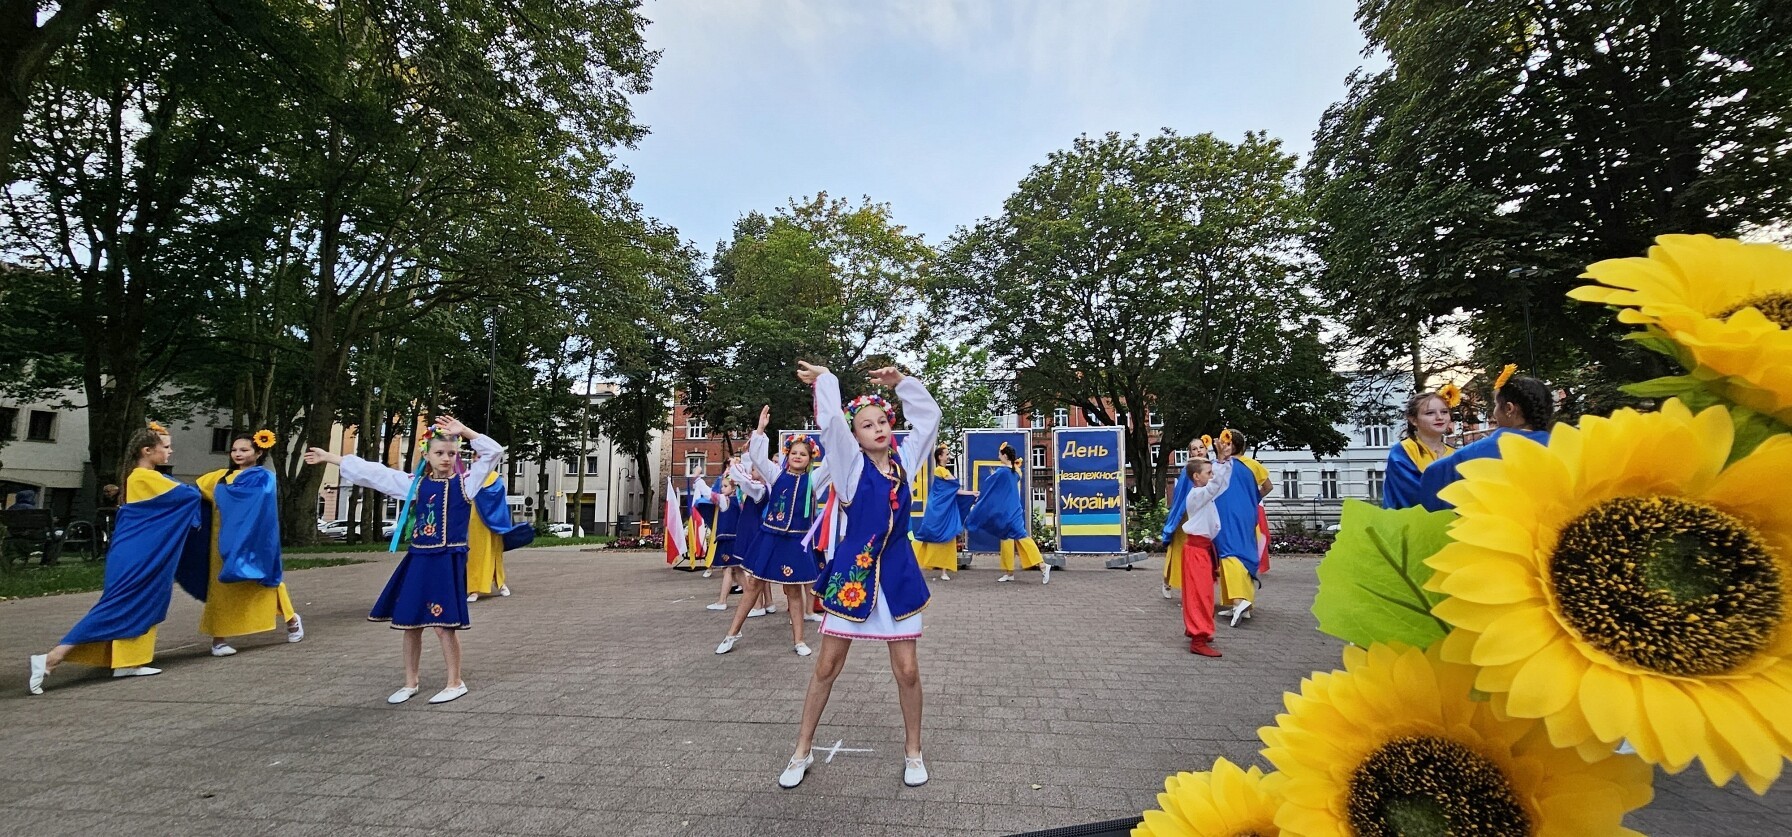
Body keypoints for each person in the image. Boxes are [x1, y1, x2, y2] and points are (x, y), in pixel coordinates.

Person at [779, 360, 941, 789]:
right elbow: (832, 423)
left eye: (882, 421)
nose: (878, 428)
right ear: (855, 436)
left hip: (899, 576)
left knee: (908, 670)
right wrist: (827, 379)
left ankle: (913, 750)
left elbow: (929, 419)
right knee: (827, 666)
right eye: (867, 425)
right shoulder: (849, 467)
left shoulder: (906, 461)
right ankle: (801, 750)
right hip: (853, 577)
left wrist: (902, 384)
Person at [304, 416, 502, 705]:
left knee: (444, 625)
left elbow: (494, 452)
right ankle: (410, 682)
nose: (446, 458)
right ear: (426, 456)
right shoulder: (415, 485)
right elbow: (375, 474)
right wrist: (330, 458)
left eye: (451, 453)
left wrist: (465, 431)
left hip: (446, 562)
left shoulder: (466, 483)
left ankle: (455, 681)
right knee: (411, 624)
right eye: (439, 453)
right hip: (419, 559)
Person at [29, 424, 203, 694]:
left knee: (140, 602)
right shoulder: (145, 477)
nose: (170, 451)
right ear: (147, 450)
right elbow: (189, 495)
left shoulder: (142, 477)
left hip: (136, 552)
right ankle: (52, 658)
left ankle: (128, 662)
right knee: (117, 606)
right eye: (166, 447)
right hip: (139, 555)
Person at [718, 406, 826, 656]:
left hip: (796, 540)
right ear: (787, 455)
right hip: (771, 536)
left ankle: (799, 640)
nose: (798, 456)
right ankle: (732, 633)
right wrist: (760, 429)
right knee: (754, 583)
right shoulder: (776, 475)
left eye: (803, 454)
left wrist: (836, 428)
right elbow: (758, 457)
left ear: (810, 459)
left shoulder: (814, 480)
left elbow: (834, 463)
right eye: (794, 452)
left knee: (793, 589)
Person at [195, 431, 304, 657]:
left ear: (258, 453)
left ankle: (292, 620)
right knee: (221, 590)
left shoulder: (264, 478)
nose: (237, 454)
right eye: (234, 450)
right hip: (222, 544)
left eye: (244, 450)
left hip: (255, 542)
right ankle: (219, 639)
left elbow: (257, 505)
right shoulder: (219, 477)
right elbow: (192, 493)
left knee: (265, 582)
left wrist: (226, 495)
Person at [1417, 370, 1554, 511]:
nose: (1494, 412)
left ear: (1509, 408)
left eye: (1496, 405)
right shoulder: (1561, 449)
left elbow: (1432, 484)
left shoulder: (1471, 455)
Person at [1174, 443, 1234, 657]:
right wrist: (1220, 461)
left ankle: (1200, 631)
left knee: (1204, 594)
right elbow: (1215, 486)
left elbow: (1221, 484)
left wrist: (1225, 462)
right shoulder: (1197, 495)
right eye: (1208, 473)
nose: (1212, 476)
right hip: (1197, 551)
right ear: (1196, 477)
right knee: (1199, 595)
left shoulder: (1203, 493)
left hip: (1202, 550)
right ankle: (1198, 638)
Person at [964, 443, 1051, 584]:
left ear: (1004, 455)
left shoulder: (1003, 472)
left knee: (1020, 536)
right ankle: (1009, 572)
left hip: (1008, 511)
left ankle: (1042, 565)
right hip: (1011, 509)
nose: (998, 456)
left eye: (1000, 454)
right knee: (1007, 538)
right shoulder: (1015, 471)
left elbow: (989, 484)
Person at [1208, 429, 1271, 626]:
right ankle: (1243, 604)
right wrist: (1252, 499)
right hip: (1247, 513)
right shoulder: (1253, 465)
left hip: (1226, 512)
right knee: (1244, 553)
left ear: (1231, 445)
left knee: (1229, 553)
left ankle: (1238, 601)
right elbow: (1268, 486)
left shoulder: (1222, 465)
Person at [465, 471, 533, 602]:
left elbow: (498, 496)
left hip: (494, 522)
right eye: (475, 459)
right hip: (475, 522)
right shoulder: (469, 476)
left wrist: (479, 492)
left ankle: (500, 583)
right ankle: (474, 588)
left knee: (495, 553)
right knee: (476, 554)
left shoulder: (495, 478)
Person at [1381, 392, 1455, 509]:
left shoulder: (1455, 454)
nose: (1439, 417)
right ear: (1414, 420)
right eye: (1430, 413)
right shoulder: (1403, 451)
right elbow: (1413, 492)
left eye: (1444, 412)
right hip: (1413, 518)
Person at [707, 466, 763, 611]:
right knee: (738, 570)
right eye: (722, 486)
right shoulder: (739, 502)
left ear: (733, 488)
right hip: (736, 539)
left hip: (728, 540)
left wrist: (696, 479)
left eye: (725, 486)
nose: (722, 489)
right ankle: (751, 599)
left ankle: (722, 601)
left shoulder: (725, 500)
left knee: (727, 570)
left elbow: (708, 494)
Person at [912, 444, 970, 582]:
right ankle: (914, 563)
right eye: (947, 454)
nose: (949, 456)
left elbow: (953, 489)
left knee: (946, 538)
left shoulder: (944, 471)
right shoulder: (940, 470)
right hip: (938, 509)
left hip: (944, 509)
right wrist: (968, 491)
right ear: (940, 457)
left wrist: (971, 493)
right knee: (929, 535)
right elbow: (953, 485)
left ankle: (943, 569)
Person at [1160, 437, 1209, 599]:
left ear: (1206, 449)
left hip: (1204, 515)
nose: (1198, 451)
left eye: (1201, 447)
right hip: (1186, 515)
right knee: (1179, 548)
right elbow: (1180, 495)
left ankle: (1197, 586)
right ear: (1190, 453)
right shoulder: (1187, 470)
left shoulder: (1211, 467)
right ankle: (1167, 580)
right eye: (1194, 449)